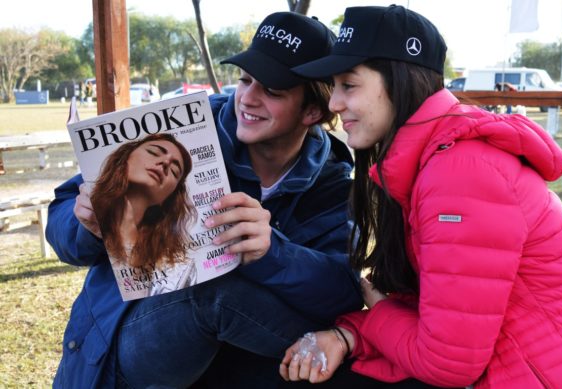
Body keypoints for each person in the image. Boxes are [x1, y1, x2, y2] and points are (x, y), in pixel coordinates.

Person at [46, 11, 363, 389]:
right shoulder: (178, 128)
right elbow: (62, 224)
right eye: (246, 80)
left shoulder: (331, 182)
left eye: (272, 91)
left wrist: (272, 254)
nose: (248, 98)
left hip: (238, 364)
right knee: (212, 291)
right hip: (127, 344)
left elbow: (342, 294)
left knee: (316, 337)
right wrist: (85, 225)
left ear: (312, 111)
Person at [280, 5, 562, 388]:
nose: (334, 104)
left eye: (349, 85)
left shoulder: (461, 174)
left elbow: (448, 362)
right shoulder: (432, 162)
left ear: (399, 81)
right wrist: (350, 334)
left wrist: (376, 309)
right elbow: (442, 308)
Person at [90, 133, 195, 268]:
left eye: (174, 171)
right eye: (153, 152)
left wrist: (129, 243)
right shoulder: (88, 197)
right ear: (126, 156)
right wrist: (86, 230)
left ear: (170, 197)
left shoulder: (168, 258)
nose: (165, 162)